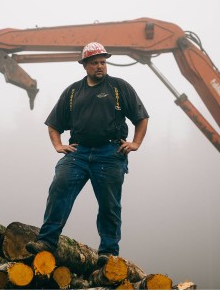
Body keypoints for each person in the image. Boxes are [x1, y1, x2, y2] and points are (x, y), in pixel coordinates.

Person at [26, 42, 149, 266]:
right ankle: (47, 241)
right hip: (78, 152)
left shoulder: (119, 87)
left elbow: (141, 117)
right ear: (85, 66)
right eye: (95, 63)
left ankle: (109, 253)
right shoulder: (73, 91)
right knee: (59, 187)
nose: (100, 66)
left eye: (103, 62)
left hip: (110, 152)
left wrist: (136, 143)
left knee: (109, 204)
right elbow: (53, 124)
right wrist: (58, 145)